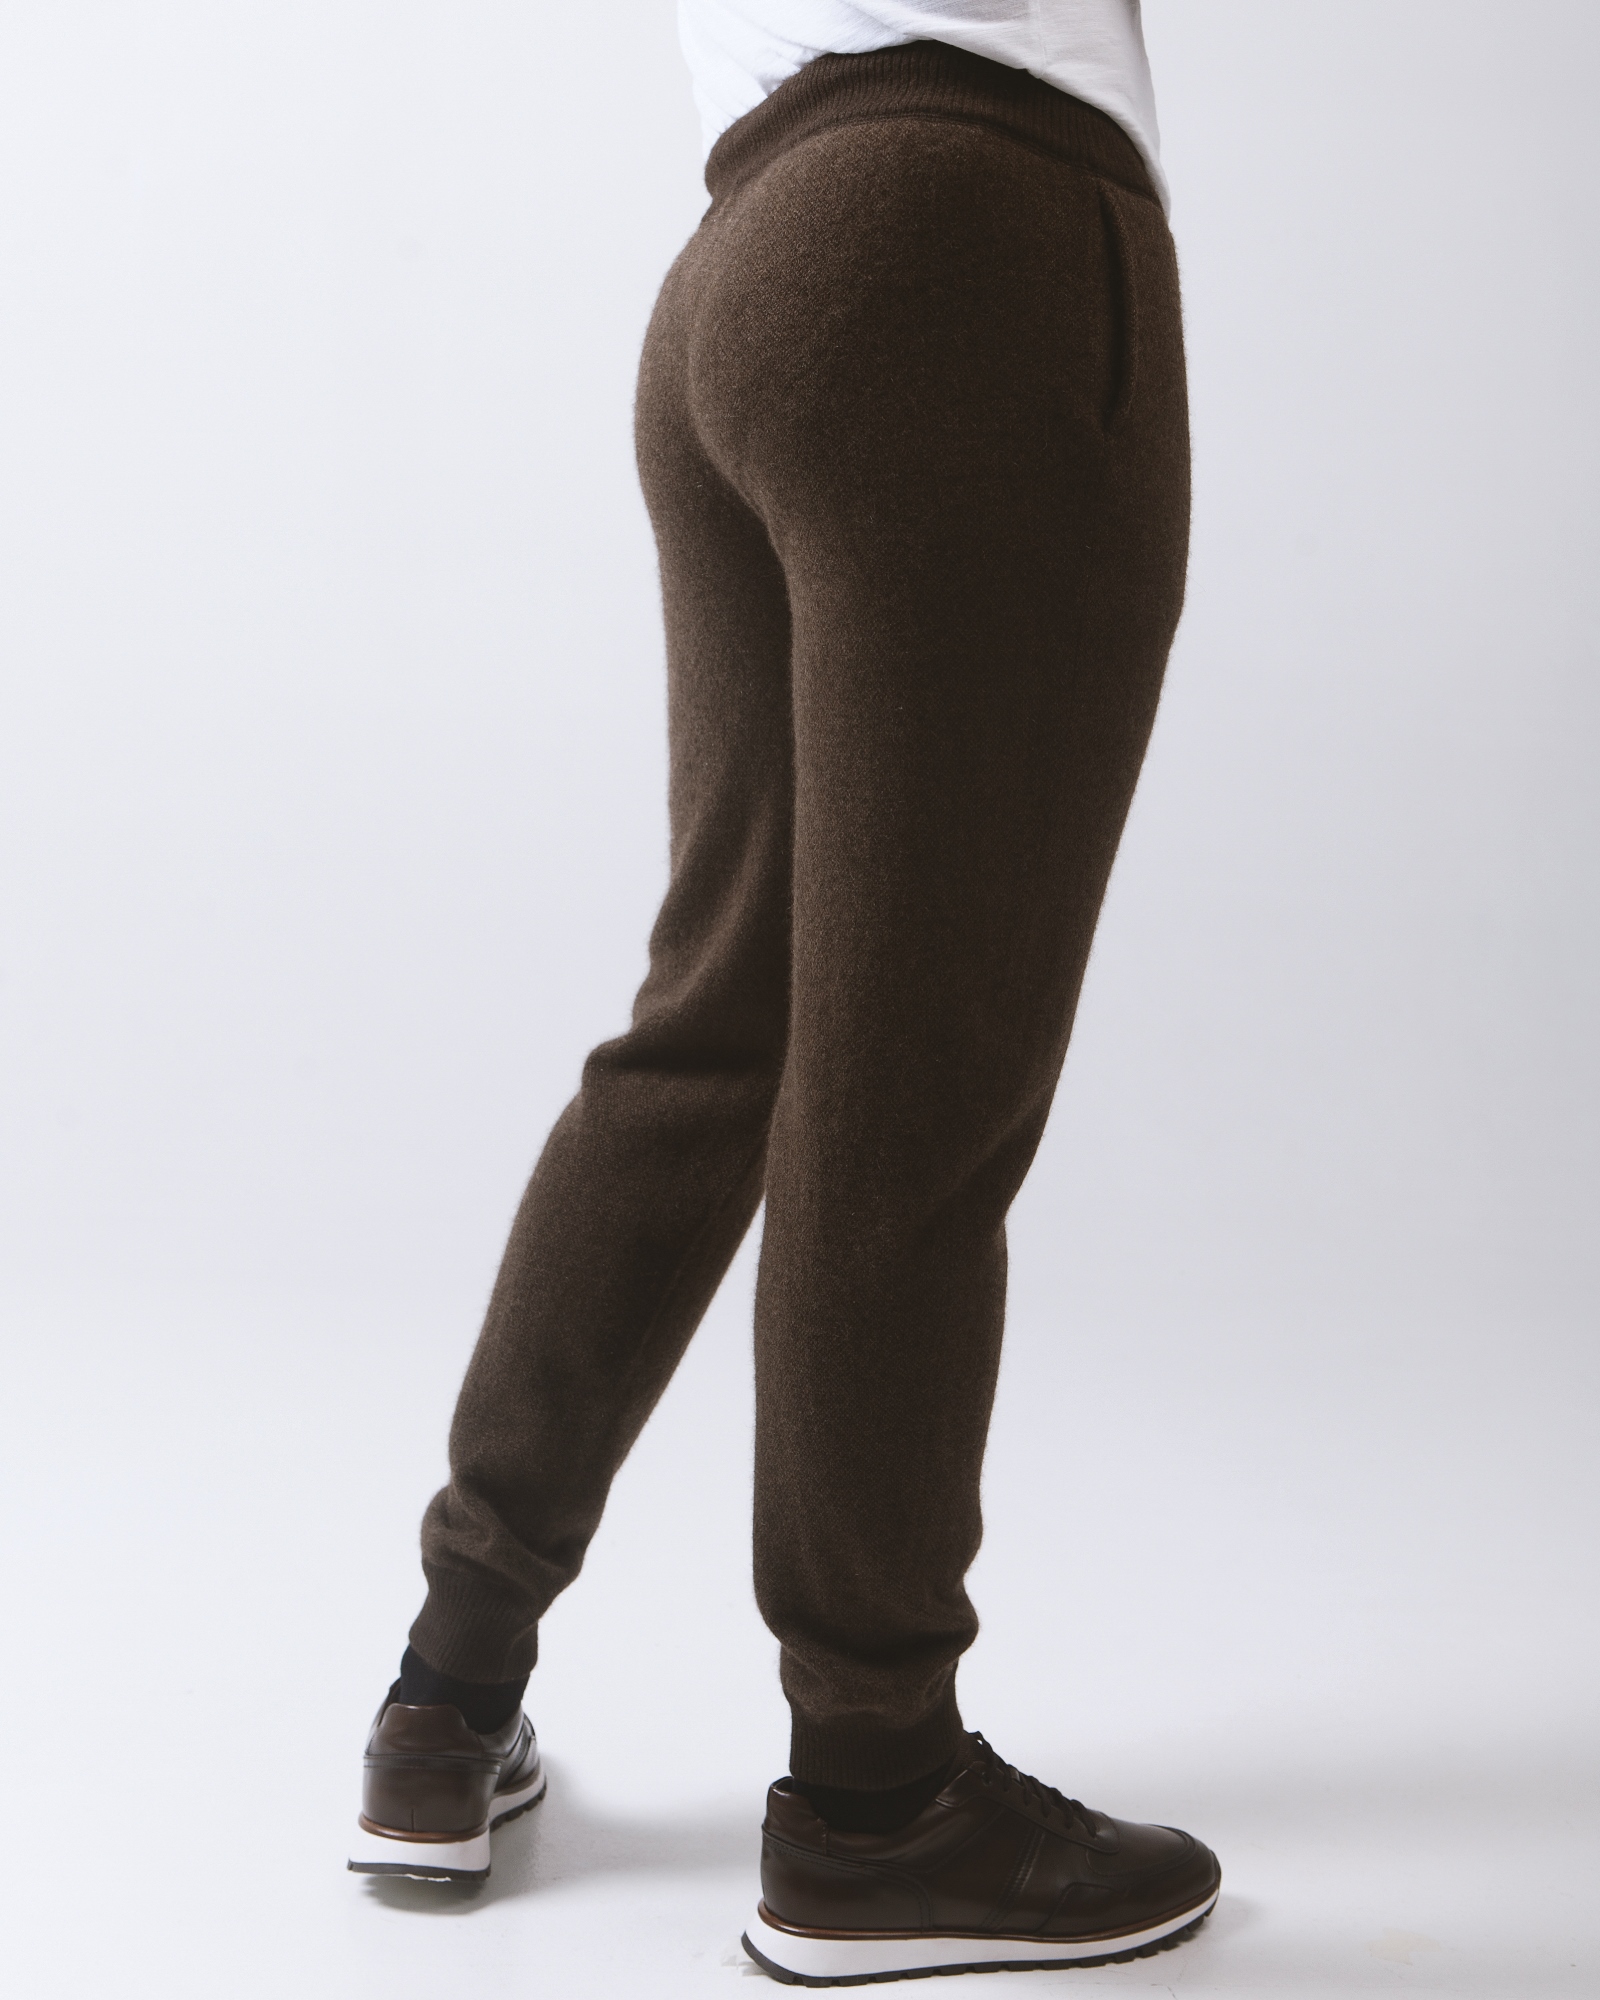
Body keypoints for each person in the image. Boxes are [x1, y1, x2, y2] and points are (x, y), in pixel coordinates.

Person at [348, 3, 1220, 1982]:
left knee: (716, 1022)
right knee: (912, 1075)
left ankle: (444, 1693)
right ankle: (877, 1799)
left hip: (741, 268)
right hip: (972, 229)